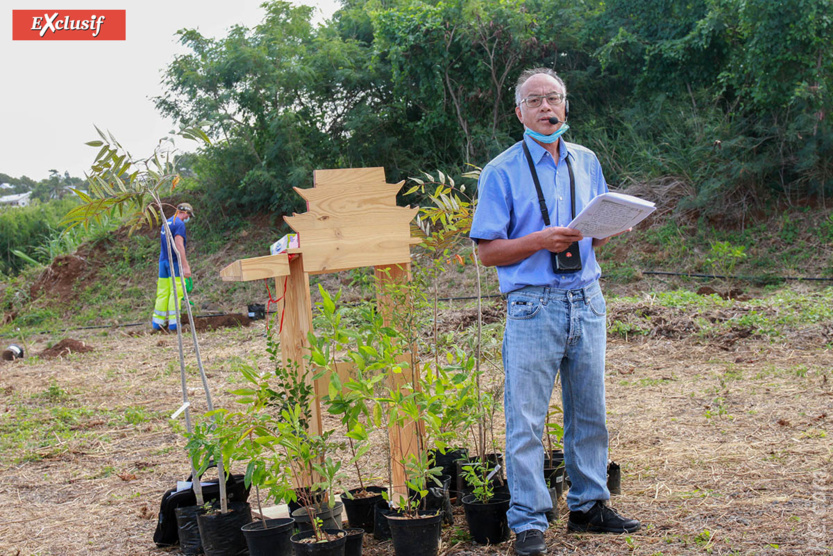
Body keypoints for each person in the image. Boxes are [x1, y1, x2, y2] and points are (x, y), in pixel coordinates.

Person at [470, 68, 640, 556]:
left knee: (590, 410)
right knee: (524, 418)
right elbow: (486, 252)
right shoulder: (500, 170)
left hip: (587, 299)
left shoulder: (586, 161)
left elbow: (595, 230)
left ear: (566, 105)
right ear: (518, 112)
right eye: (535, 100)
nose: (547, 108)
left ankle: (589, 507)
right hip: (532, 305)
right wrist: (539, 242)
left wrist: (613, 225)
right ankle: (528, 522)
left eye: (554, 98)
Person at [152, 202, 194, 332]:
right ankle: (174, 324)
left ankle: (157, 324)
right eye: (189, 216)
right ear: (185, 213)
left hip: (162, 262)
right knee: (176, 292)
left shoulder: (167, 222)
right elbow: (179, 246)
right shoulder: (179, 224)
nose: (188, 219)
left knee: (163, 292)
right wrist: (185, 266)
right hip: (174, 262)